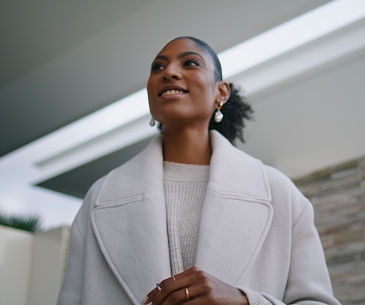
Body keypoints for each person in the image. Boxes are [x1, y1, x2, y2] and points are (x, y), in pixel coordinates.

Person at [57, 36, 341, 305]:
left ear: (221, 92)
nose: (168, 71)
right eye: (158, 66)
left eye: (189, 62)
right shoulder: (101, 197)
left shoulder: (279, 193)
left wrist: (245, 300)